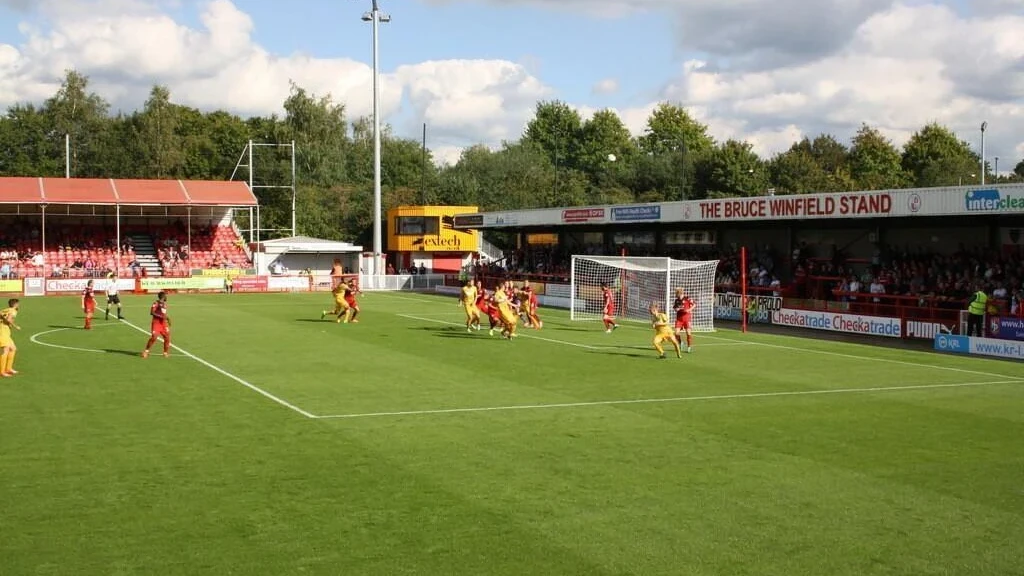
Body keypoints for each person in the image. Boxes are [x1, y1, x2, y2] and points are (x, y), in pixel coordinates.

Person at [142, 291, 171, 358]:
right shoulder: (156, 303)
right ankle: (146, 351)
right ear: (163, 297)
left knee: (167, 338)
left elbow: (164, 314)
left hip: (163, 324)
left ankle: (165, 352)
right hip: (156, 323)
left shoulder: (165, 304)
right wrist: (162, 317)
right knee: (154, 337)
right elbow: (152, 312)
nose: (166, 297)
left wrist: (167, 319)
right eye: (165, 296)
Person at [0, 298, 21, 377]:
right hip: (3, 332)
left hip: (5, 332)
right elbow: (8, 319)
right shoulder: (13, 311)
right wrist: (16, 326)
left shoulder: (6, 310)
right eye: (18, 304)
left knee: (13, 348)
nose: (19, 305)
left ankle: (8, 368)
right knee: (6, 350)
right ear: (15, 304)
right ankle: (2, 371)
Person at [673, 288, 695, 353]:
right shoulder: (676, 300)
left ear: (680, 293)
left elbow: (694, 304)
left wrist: (689, 309)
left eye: (676, 293)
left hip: (687, 318)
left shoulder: (687, 298)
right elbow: (675, 308)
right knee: (676, 333)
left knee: (688, 333)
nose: (675, 295)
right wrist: (676, 309)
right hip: (679, 319)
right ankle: (680, 343)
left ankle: (689, 347)